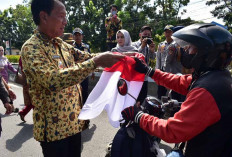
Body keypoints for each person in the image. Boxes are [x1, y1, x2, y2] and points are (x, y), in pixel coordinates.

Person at [21, 0, 125, 157]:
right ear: (44, 16)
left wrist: (122, 57)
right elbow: (52, 80)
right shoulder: (31, 48)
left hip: (74, 126)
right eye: (61, 16)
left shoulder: (60, 44)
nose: (65, 21)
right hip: (54, 133)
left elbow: (87, 57)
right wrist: (95, 62)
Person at [121, 23, 232, 157]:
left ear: (206, 53)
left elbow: (171, 131)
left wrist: (138, 115)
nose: (186, 51)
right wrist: (148, 71)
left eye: (191, 47)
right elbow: (180, 82)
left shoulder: (207, 91)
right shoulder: (215, 76)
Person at [155, 25, 182, 101]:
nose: (168, 33)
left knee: (175, 95)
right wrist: (157, 71)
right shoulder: (161, 44)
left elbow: (169, 60)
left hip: (174, 72)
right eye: (166, 31)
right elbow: (158, 58)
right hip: (163, 72)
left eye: (170, 31)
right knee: (160, 94)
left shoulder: (177, 44)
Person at [132, 26, 156, 103]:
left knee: (142, 100)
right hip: (135, 77)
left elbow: (152, 60)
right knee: (133, 99)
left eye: (148, 35)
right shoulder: (134, 44)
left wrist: (152, 51)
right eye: (145, 34)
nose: (146, 37)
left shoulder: (149, 46)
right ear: (140, 35)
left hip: (145, 77)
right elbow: (135, 56)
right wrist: (142, 46)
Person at [73, 27, 93, 104]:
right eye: (76, 35)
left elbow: (90, 58)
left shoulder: (86, 47)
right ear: (73, 37)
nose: (77, 37)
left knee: (85, 90)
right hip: (75, 72)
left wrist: (92, 71)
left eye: (79, 35)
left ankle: (84, 108)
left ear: (82, 36)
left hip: (85, 72)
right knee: (76, 90)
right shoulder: (70, 47)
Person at [18, 57, 34, 122]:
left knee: (31, 101)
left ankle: (22, 113)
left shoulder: (22, 56)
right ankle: (38, 119)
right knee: (34, 100)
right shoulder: (29, 54)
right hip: (30, 81)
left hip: (26, 80)